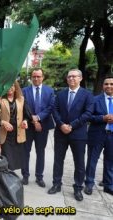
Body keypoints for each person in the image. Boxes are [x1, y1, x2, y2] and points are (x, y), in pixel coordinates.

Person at [49, 69, 94, 201]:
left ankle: (78, 188)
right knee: (58, 160)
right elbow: (55, 110)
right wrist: (61, 124)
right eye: (69, 76)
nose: (71, 79)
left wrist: (72, 125)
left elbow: (88, 113)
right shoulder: (61, 94)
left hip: (78, 134)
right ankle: (56, 184)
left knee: (79, 162)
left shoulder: (87, 94)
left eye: (74, 76)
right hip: (61, 133)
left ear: (80, 78)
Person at [21, 68, 55, 187]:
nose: (36, 78)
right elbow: (23, 107)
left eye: (38, 76)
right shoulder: (24, 91)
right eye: (34, 76)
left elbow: (50, 108)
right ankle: (25, 176)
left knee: (40, 152)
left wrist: (39, 117)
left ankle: (39, 177)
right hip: (28, 126)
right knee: (25, 152)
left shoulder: (49, 91)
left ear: (43, 77)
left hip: (43, 126)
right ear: (31, 77)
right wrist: (34, 120)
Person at [84, 76, 113, 196]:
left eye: (111, 84)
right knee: (92, 160)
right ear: (103, 86)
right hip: (97, 135)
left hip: (112, 136)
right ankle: (89, 184)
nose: (109, 86)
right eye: (106, 84)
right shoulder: (95, 99)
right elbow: (88, 116)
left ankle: (108, 185)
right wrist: (103, 118)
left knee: (110, 161)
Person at [0, 81, 32, 171]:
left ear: (16, 87)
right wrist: (3, 122)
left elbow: (27, 115)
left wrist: (25, 121)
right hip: (5, 135)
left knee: (15, 160)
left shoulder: (21, 99)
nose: (10, 88)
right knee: (6, 159)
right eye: (8, 85)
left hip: (17, 134)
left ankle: (10, 178)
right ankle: (6, 178)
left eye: (12, 85)